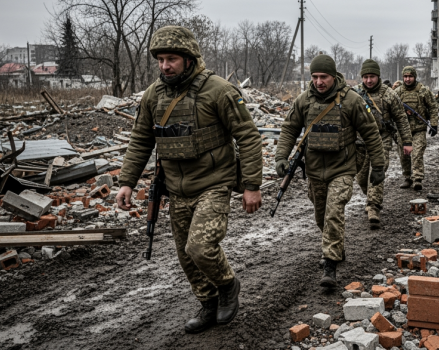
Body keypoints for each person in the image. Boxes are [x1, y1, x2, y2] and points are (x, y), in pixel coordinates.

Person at [115, 26, 263, 334]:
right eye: (160, 60)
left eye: (171, 59)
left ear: (189, 58)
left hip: (214, 184)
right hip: (176, 189)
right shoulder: (154, 94)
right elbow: (141, 139)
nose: (165, 66)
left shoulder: (219, 90)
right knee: (186, 257)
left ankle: (228, 285)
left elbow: (248, 138)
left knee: (200, 247)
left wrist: (251, 185)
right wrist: (127, 181)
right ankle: (208, 303)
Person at [274, 54, 385, 287]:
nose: (318, 82)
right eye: (314, 77)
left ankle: (330, 264)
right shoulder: (304, 101)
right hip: (314, 171)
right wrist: (281, 157)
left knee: (334, 212)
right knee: (321, 216)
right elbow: (289, 128)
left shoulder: (352, 100)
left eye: (323, 77)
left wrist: (378, 166)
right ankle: (336, 247)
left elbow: (371, 133)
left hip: (342, 169)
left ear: (333, 76)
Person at [354, 59, 413, 228]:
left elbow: (401, 119)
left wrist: (407, 142)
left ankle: (374, 207)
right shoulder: (356, 94)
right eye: (365, 77)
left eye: (372, 76)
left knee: (377, 172)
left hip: (382, 139)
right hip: (360, 141)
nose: (369, 80)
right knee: (361, 177)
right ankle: (371, 197)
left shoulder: (389, 94)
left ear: (378, 76)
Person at [394, 66, 439, 191]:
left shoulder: (423, 91)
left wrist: (434, 124)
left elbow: (433, 107)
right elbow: (391, 110)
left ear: (415, 77)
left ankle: (417, 178)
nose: (408, 79)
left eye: (410, 76)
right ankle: (407, 177)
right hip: (403, 130)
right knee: (404, 155)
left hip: (419, 128)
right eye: (405, 77)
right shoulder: (397, 92)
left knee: (417, 153)